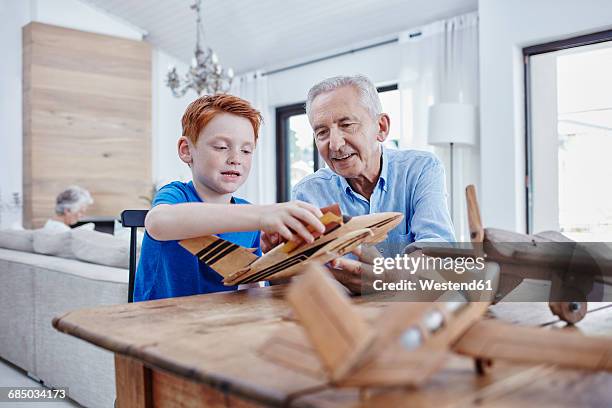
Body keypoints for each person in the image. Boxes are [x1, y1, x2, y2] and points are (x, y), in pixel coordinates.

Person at [134, 94, 325, 301]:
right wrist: (263, 213)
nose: (236, 159)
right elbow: (157, 222)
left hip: (218, 324)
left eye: (246, 150)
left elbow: (249, 286)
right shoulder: (176, 195)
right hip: (158, 323)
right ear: (186, 150)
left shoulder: (248, 217)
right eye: (222, 147)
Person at [288, 75, 456, 293]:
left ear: (381, 127)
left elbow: (438, 252)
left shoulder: (421, 168)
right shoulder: (308, 192)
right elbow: (303, 273)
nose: (335, 144)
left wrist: (389, 277)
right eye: (322, 132)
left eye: (347, 125)